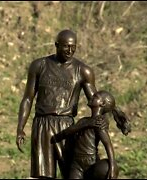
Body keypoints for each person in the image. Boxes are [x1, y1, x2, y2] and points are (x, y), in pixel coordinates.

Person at [16, 29, 129, 179]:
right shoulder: (39, 65)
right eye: (66, 46)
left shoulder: (83, 71)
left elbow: (98, 99)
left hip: (67, 126)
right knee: (42, 176)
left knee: (70, 173)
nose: (70, 50)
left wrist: (116, 114)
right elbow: (28, 99)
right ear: (56, 45)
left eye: (73, 47)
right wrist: (20, 127)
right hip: (42, 125)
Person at [52, 90, 131, 179]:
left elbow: (107, 144)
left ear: (102, 104)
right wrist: (87, 123)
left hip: (90, 161)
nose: (92, 96)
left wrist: (112, 166)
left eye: (96, 97)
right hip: (76, 163)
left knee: (103, 168)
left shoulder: (99, 123)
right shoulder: (84, 121)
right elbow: (66, 132)